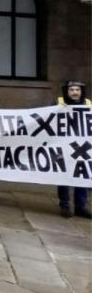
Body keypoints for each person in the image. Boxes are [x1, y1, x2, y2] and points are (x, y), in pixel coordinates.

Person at [56, 80, 90, 219]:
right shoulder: (58, 103)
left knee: (81, 176)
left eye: (77, 89)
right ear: (66, 91)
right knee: (64, 176)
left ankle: (80, 207)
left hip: (82, 148)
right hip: (64, 146)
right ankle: (65, 205)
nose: (75, 92)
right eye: (71, 90)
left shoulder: (88, 104)